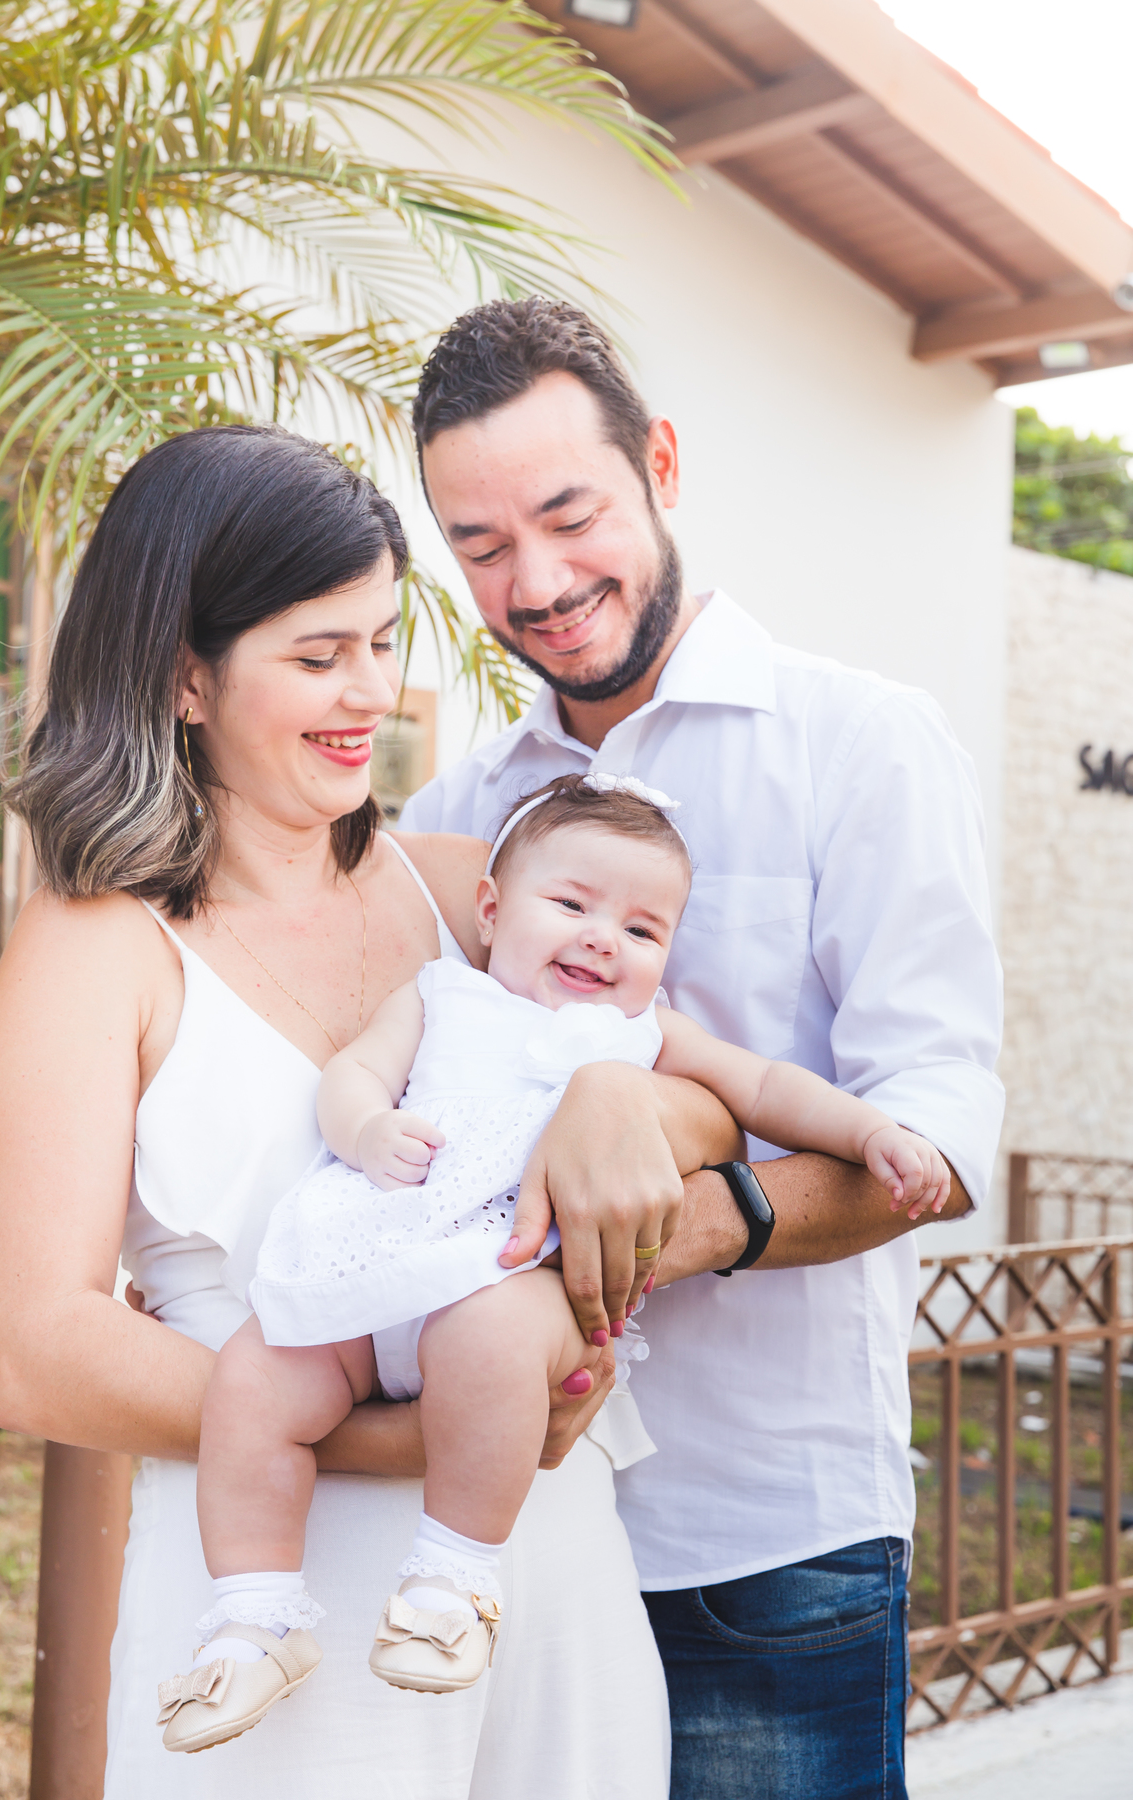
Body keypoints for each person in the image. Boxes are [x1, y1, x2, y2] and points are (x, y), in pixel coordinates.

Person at [0, 425, 738, 1800]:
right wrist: (408, 1437)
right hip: (277, 1603)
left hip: (549, 1559)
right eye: (320, 655)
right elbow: (36, 1351)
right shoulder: (90, 951)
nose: (371, 693)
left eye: (382, 642)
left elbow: (710, 1097)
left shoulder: (464, 889)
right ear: (186, 676)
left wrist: (621, 1097)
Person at [400, 298, 1006, 1799]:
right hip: (506, 1525)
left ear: (660, 464)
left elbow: (939, 1124)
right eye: (481, 545)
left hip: (764, 1537)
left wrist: (691, 1220)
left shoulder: (862, 743)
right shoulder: (460, 811)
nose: (539, 583)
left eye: (569, 517)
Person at [177, 772, 950, 1749]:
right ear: (491, 911)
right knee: (256, 1373)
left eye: (642, 928)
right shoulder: (441, 995)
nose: (603, 939)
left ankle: (452, 1580)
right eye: (573, 905)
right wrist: (367, 1127)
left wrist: (873, 1132)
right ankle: (255, 1612)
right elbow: (354, 1073)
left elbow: (762, 1088)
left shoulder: (645, 1035)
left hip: (512, 1280)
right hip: (378, 1262)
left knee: (491, 1344)